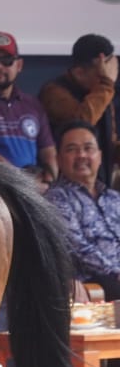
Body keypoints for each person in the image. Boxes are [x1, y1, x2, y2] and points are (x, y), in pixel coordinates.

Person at [0, 31, 55, 185]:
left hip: (36, 187)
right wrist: (23, 184)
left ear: (19, 65)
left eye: (7, 61)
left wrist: (49, 180)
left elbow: (48, 150)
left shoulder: (33, 104)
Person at [45, 122, 120, 299]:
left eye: (88, 148)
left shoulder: (114, 198)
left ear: (100, 156)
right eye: (72, 149)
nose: (82, 155)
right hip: (95, 283)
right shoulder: (56, 198)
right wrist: (117, 272)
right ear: (59, 159)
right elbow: (78, 249)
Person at [41, 34, 118, 187]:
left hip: (100, 185)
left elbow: (110, 144)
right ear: (79, 72)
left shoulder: (101, 94)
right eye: (102, 72)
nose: (108, 76)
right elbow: (80, 124)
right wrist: (106, 84)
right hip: (66, 190)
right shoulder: (54, 91)